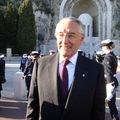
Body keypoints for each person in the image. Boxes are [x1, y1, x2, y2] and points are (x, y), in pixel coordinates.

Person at [26, 17, 106, 120]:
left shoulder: (95, 70)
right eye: (60, 35)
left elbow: (98, 112)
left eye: (71, 35)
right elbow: (33, 105)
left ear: (81, 39)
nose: (64, 41)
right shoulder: (40, 65)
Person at [100, 39, 119, 120]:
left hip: (108, 83)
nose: (102, 48)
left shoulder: (107, 57)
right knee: (112, 105)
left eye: (103, 47)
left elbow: (108, 73)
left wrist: (109, 87)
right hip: (113, 82)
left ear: (106, 47)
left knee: (103, 104)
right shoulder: (112, 55)